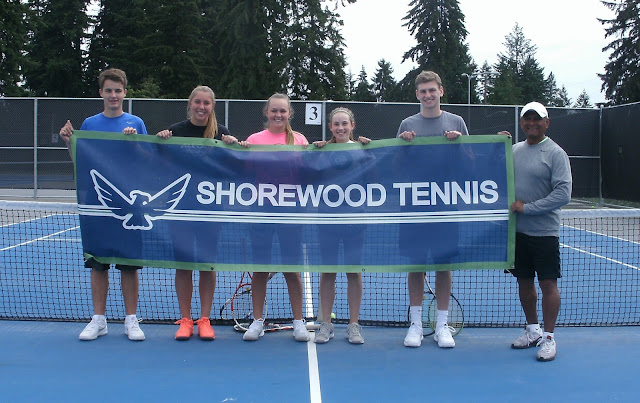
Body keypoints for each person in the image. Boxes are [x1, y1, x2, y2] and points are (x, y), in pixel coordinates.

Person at [59, 68, 147, 341]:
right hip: (97, 205)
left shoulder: (136, 123)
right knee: (98, 264)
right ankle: (99, 319)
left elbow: (146, 161)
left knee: (128, 264)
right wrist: (68, 142)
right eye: (108, 90)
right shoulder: (89, 124)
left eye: (118, 90)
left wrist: (134, 143)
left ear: (125, 93)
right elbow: (82, 162)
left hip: (130, 206)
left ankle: (131, 320)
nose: (113, 95)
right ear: (101, 93)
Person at [156, 85, 239, 341]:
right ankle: (185, 320)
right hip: (180, 209)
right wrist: (160, 142)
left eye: (206, 103)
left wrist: (233, 146)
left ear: (212, 106)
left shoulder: (221, 133)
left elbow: (232, 168)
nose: (202, 107)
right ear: (190, 104)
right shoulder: (176, 131)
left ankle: (204, 319)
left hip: (210, 211)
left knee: (206, 264)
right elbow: (159, 162)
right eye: (198, 102)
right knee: (183, 265)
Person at [397, 70, 468, 348]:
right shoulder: (407, 124)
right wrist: (403, 145)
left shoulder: (457, 122)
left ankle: (441, 326)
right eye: (423, 91)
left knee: (443, 266)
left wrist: (459, 144)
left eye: (432, 90)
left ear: (441, 91)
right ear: (417, 94)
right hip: (414, 206)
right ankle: (416, 325)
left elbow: (471, 163)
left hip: (446, 205)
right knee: (416, 266)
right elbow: (395, 164)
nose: (428, 95)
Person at [499, 101, 572, 361]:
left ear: (546, 123)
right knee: (524, 282)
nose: (532, 123)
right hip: (518, 233)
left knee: (548, 284)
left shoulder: (556, 153)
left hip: (544, 233)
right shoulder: (515, 150)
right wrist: (498, 144)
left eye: (537, 119)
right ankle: (533, 330)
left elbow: (563, 194)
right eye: (527, 119)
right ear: (522, 123)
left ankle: (549, 338)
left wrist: (528, 208)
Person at [240, 93, 310, 342]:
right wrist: (242, 152)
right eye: (274, 110)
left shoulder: (300, 140)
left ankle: (298, 322)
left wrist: (321, 150)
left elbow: (309, 171)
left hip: (291, 212)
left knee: (292, 268)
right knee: (260, 269)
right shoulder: (254, 140)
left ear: (289, 113)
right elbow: (244, 171)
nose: (278, 115)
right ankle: (257, 321)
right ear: (267, 112)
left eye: (283, 111)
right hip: (261, 210)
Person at [312, 107, 371, 344]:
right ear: (330, 127)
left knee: (353, 272)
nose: (340, 128)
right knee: (328, 272)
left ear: (352, 125)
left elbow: (376, 178)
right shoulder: (322, 152)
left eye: (344, 123)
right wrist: (316, 152)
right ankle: (326, 324)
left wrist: (371, 152)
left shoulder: (362, 151)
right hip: (327, 221)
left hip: (355, 221)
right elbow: (311, 177)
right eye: (336, 124)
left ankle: (354, 325)